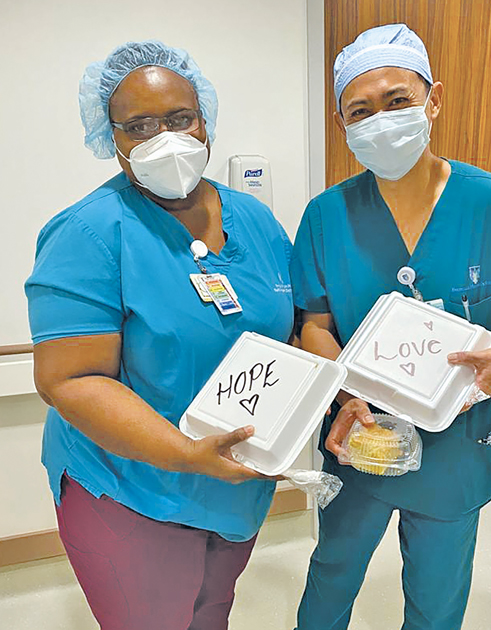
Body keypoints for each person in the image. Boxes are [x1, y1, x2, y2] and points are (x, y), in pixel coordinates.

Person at [291, 24, 491, 630]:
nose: (379, 119)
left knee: (437, 597)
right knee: (333, 572)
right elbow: (314, 322)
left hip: (457, 449)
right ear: (343, 125)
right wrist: (346, 395)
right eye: (360, 110)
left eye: (397, 100)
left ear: (433, 99)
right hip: (359, 436)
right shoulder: (327, 216)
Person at [25, 41, 295, 630]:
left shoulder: (255, 219)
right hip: (132, 490)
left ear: (206, 121)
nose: (164, 138)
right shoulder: (90, 234)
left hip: (235, 485)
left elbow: (291, 334)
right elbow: (70, 379)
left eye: (179, 119)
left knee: (209, 615)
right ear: (112, 139)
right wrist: (184, 453)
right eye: (138, 126)